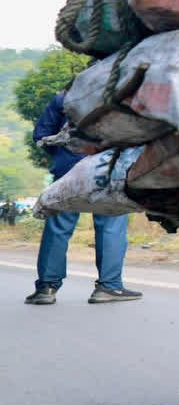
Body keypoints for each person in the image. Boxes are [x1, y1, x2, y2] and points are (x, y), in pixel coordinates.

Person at [24, 92, 143, 305]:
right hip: (109, 172)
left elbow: (41, 134)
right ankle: (109, 287)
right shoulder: (125, 96)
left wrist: (66, 156)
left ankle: (46, 288)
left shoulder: (64, 99)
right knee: (111, 226)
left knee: (58, 228)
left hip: (68, 172)